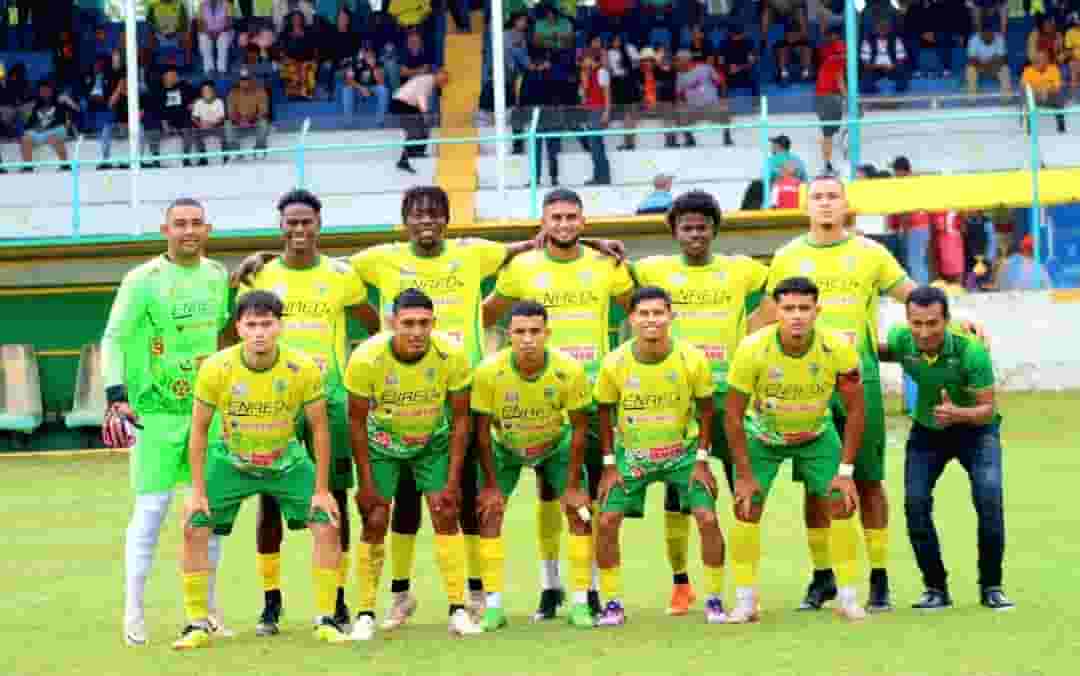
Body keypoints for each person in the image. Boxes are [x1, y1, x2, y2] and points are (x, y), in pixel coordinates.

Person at [233, 185, 623, 632]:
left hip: (464, 390)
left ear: (447, 219)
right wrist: (267, 255)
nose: (426, 221)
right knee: (397, 500)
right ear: (405, 221)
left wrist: (594, 242)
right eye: (417, 214)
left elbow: (540, 241)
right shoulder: (379, 259)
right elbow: (316, 256)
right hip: (398, 396)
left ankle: (477, 592)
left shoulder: (473, 253)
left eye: (435, 213)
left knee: (466, 495)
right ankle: (396, 594)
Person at [753, 175, 917, 614]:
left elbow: (913, 297)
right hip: (805, 384)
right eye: (818, 197)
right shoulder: (788, 256)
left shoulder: (870, 253)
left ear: (846, 204)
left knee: (869, 480)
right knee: (817, 483)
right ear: (806, 206)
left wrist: (958, 321)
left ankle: (879, 577)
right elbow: (766, 318)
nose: (825, 204)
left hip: (858, 379)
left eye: (832, 196)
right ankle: (823, 575)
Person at [484, 188, 634, 621]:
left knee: (588, 496)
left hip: (592, 395)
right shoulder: (523, 266)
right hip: (535, 395)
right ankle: (550, 586)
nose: (564, 224)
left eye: (572, 217)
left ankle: (592, 589)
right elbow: (486, 314)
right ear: (544, 222)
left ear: (583, 222)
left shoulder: (607, 264)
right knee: (548, 494)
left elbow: (638, 310)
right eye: (556, 217)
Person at [236, 189, 379, 637]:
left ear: (319, 224)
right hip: (274, 401)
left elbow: (374, 325)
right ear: (280, 226)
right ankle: (271, 602)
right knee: (269, 496)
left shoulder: (341, 276)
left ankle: (336, 598)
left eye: (306, 222)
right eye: (291, 222)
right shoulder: (260, 275)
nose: (299, 229)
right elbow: (235, 330)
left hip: (329, 398)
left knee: (334, 497)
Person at [173, 290, 348, 649]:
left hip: (286, 461)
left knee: (328, 522)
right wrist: (197, 491)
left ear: (279, 326)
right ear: (238, 328)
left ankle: (326, 618)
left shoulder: (302, 368)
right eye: (251, 325)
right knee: (194, 525)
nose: (259, 333)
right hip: (232, 461)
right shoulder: (216, 368)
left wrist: (321, 490)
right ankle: (196, 624)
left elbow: (319, 428)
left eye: (266, 324)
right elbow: (200, 430)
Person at [101, 198, 232, 647]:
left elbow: (224, 334)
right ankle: (133, 611)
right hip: (155, 414)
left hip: (207, 412)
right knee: (152, 511)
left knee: (207, 512)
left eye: (196, 223)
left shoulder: (217, 276)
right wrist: (116, 394)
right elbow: (114, 337)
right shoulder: (142, 280)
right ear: (165, 230)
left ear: (208, 229)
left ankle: (207, 610)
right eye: (180, 224)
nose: (189, 231)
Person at [631, 190, 768, 615]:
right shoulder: (653, 270)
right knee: (679, 497)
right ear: (674, 231)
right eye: (687, 227)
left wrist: (758, 336)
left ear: (714, 230)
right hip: (679, 402)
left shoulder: (741, 270)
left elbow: (784, 286)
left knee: (743, 488)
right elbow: (611, 270)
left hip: (731, 398)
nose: (695, 234)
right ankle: (681, 584)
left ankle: (745, 586)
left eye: (702, 227)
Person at [344, 288, 485, 639]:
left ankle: (458, 609)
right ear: (392, 323)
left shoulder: (451, 354)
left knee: (445, 512)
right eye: (408, 323)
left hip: (431, 444)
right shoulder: (366, 358)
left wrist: (452, 481)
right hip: (382, 445)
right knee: (375, 518)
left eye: (424, 323)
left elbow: (461, 419)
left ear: (434, 323)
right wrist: (366, 484)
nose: (417, 331)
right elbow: (356, 422)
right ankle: (365, 613)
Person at [725, 276, 867, 623]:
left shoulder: (838, 347)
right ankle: (745, 601)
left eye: (805, 308)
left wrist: (846, 472)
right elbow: (732, 415)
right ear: (776, 311)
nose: (797, 315)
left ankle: (848, 597)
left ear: (818, 311)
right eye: (789, 308)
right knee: (746, 507)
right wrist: (743, 475)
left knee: (842, 502)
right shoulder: (752, 348)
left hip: (816, 435)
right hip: (763, 438)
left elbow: (856, 410)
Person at [593, 286, 725, 626]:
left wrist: (702, 460)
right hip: (633, 456)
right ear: (631, 318)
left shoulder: (692, 359)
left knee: (707, 518)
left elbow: (707, 410)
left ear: (671, 316)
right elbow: (604, 412)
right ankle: (612, 603)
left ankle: (714, 599)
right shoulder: (614, 363)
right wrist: (609, 465)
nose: (651, 320)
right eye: (644, 314)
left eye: (658, 313)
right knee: (606, 521)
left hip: (682, 455)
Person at [878, 286, 1014, 611]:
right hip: (927, 431)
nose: (924, 332)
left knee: (989, 498)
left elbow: (987, 409)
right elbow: (882, 350)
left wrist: (958, 414)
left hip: (976, 432)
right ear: (908, 321)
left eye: (932, 323)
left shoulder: (972, 352)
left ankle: (992, 587)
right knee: (915, 503)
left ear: (946, 320)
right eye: (917, 323)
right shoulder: (901, 338)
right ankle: (935, 589)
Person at [471, 300, 596, 630]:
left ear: (547, 333)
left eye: (535, 331)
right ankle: (493, 608)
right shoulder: (488, 372)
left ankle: (581, 603)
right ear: (508, 334)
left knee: (579, 514)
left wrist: (573, 486)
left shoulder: (569, 370)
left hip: (555, 446)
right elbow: (481, 432)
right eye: (520, 332)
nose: (528, 339)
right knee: (489, 514)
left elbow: (579, 428)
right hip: (505, 448)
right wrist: (491, 486)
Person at [390, 69, 449, 173]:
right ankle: (404, 160)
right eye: (443, 79)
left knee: (424, 126)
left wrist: (425, 114)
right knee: (414, 130)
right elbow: (421, 96)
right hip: (401, 103)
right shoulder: (428, 80)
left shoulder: (430, 82)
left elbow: (419, 98)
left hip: (409, 104)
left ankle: (417, 151)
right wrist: (425, 113)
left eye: (446, 81)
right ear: (437, 75)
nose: (444, 83)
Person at [19, 80, 76, 172]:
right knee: (25, 139)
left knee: (54, 137)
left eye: (46, 90)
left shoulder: (60, 101)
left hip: (57, 130)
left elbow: (76, 111)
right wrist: (33, 128)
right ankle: (28, 167)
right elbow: (29, 124)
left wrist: (68, 101)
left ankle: (65, 165)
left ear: (52, 90)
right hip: (40, 132)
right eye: (41, 91)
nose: (44, 93)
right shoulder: (36, 104)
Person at [147, 67, 197, 168]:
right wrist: (164, 122)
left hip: (181, 117)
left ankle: (186, 157)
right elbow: (155, 108)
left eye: (175, 76)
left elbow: (197, 96)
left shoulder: (184, 85)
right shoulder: (157, 89)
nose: (174, 78)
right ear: (164, 77)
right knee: (152, 125)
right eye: (171, 75)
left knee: (188, 124)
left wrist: (194, 102)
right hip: (164, 118)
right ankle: (155, 157)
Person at [815, 24, 845, 174]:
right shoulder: (836, 58)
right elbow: (840, 80)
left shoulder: (831, 57)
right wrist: (849, 99)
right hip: (828, 97)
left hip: (825, 97)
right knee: (828, 135)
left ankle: (828, 164)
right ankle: (827, 165)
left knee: (829, 134)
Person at [226, 68, 271, 158]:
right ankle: (236, 151)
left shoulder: (260, 91)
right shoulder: (233, 93)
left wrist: (251, 119)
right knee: (227, 124)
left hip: (254, 122)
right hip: (239, 123)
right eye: (242, 79)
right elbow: (230, 112)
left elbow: (263, 110)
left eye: (247, 79)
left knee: (263, 123)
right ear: (239, 81)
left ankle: (259, 148)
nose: (244, 82)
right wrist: (239, 120)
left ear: (251, 79)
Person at [1021, 50, 1067, 134]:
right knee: (1027, 98)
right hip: (1034, 96)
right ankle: (1029, 130)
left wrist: (1046, 90)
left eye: (1042, 59)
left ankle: (1061, 128)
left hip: (1050, 96)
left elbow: (1057, 87)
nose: (1039, 61)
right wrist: (1039, 91)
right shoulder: (1028, 70)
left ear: (1047, 60)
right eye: (1037, 59)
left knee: (1059, 97)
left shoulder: (1053, 69)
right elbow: (1024, 87)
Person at [966, 22, 1012, 97]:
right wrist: (983, 67)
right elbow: (971, 60)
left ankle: (1006, 98)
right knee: (970, 70)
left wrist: (992, 67)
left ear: (993, 33)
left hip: (995, 66)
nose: (987, 36)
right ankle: (972, 98)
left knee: (1005, 69)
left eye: (990, 34)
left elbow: (1003, 60)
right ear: (981, 34)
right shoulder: (974, 39)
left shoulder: (999, 38)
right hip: (980, 66)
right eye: (985, 35)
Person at [191, 81, 227, 166]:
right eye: (204, 90)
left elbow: (222, 118)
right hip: (203, 127)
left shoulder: (219, 102)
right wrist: (200, 124)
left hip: (216, 126)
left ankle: (225, 156)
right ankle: (203, 157)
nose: (206, 92)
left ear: (213, 91)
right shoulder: (198, 102)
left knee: (224, 131)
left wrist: (212, 124)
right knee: (195, 133)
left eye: (208, 90)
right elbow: (194, 117)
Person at [198, 0, 234, 76]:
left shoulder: (227, 4)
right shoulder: (202, 5)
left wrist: (218, 32)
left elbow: (229, 23)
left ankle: (221, 69)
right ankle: (209, 69)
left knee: (223, 40)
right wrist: (208, 32)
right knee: (203, 38)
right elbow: (200, 23)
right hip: (207, 31)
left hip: (223, 31)